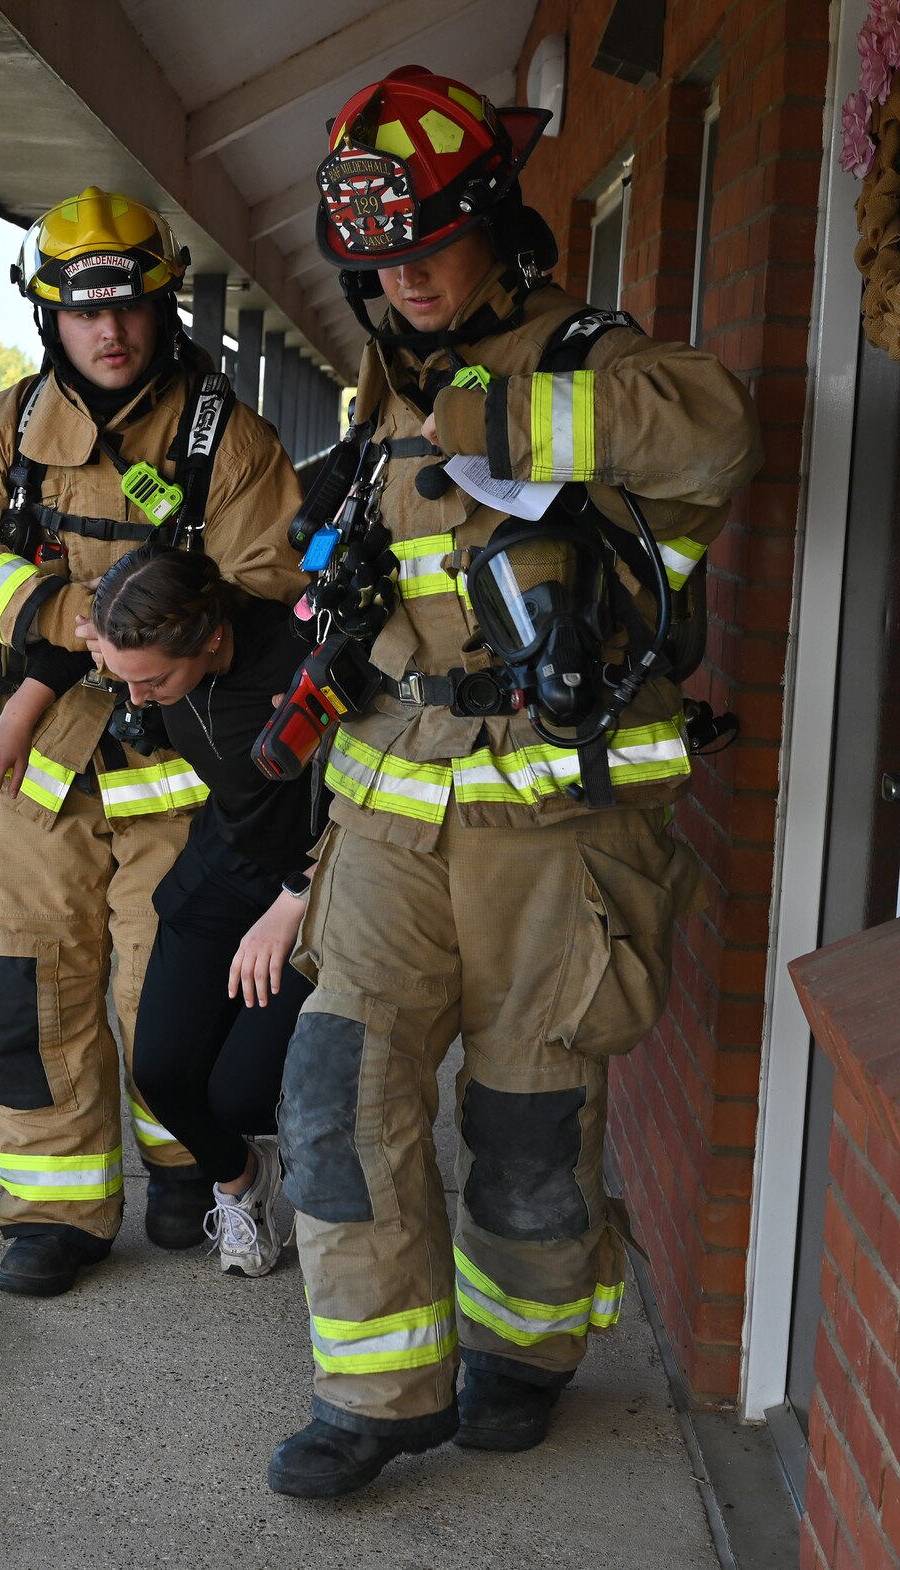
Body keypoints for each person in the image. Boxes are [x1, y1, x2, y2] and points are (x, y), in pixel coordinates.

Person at [264, 67, 763, 1498]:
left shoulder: (586, 359)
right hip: (388, 812)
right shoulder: (389, 381)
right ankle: (374, 1391)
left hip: (560, 824)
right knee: (335, 1087)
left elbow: (719, 427)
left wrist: (499, 426)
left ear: (496, 223)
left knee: (529, 1115)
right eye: (381, 259)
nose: (405, 276)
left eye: (429, 243)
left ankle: (528, 1351)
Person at [0, 187, 304, 1297]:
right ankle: (56, 1209)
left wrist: (143, 618)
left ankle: (182, 1167)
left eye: (126, 308)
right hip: (28, 786)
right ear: (47, 316)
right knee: (30, 994)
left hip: (173, 779)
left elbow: (266, 586)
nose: (107, 333)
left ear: (162, 304)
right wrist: (49, 610)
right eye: (80, 312)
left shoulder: (232, 444)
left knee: (163, 988)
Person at [77, 544, 323, 1280]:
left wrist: (298, 901)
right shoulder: (151, 666)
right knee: (160, 1071)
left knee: (241, 1092)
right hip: (224, 866)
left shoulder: (300, 658)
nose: (140, 698)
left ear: (208, 635)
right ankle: (242, 1181)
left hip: (319, 879)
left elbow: (371, 797)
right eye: (126, 679)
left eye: (151, 680)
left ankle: (287, 1162)